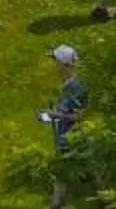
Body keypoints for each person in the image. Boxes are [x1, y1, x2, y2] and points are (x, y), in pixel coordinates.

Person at [39, 43, 88, 207]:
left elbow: (79, 116)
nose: (54, 64)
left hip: (71, 137)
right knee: (69, 171)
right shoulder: (68, 84)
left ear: (63, 63)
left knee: (63, 171)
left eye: (55, 60)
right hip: (66, 135)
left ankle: (56, 204)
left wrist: (54, 115)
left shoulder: (76, 86)